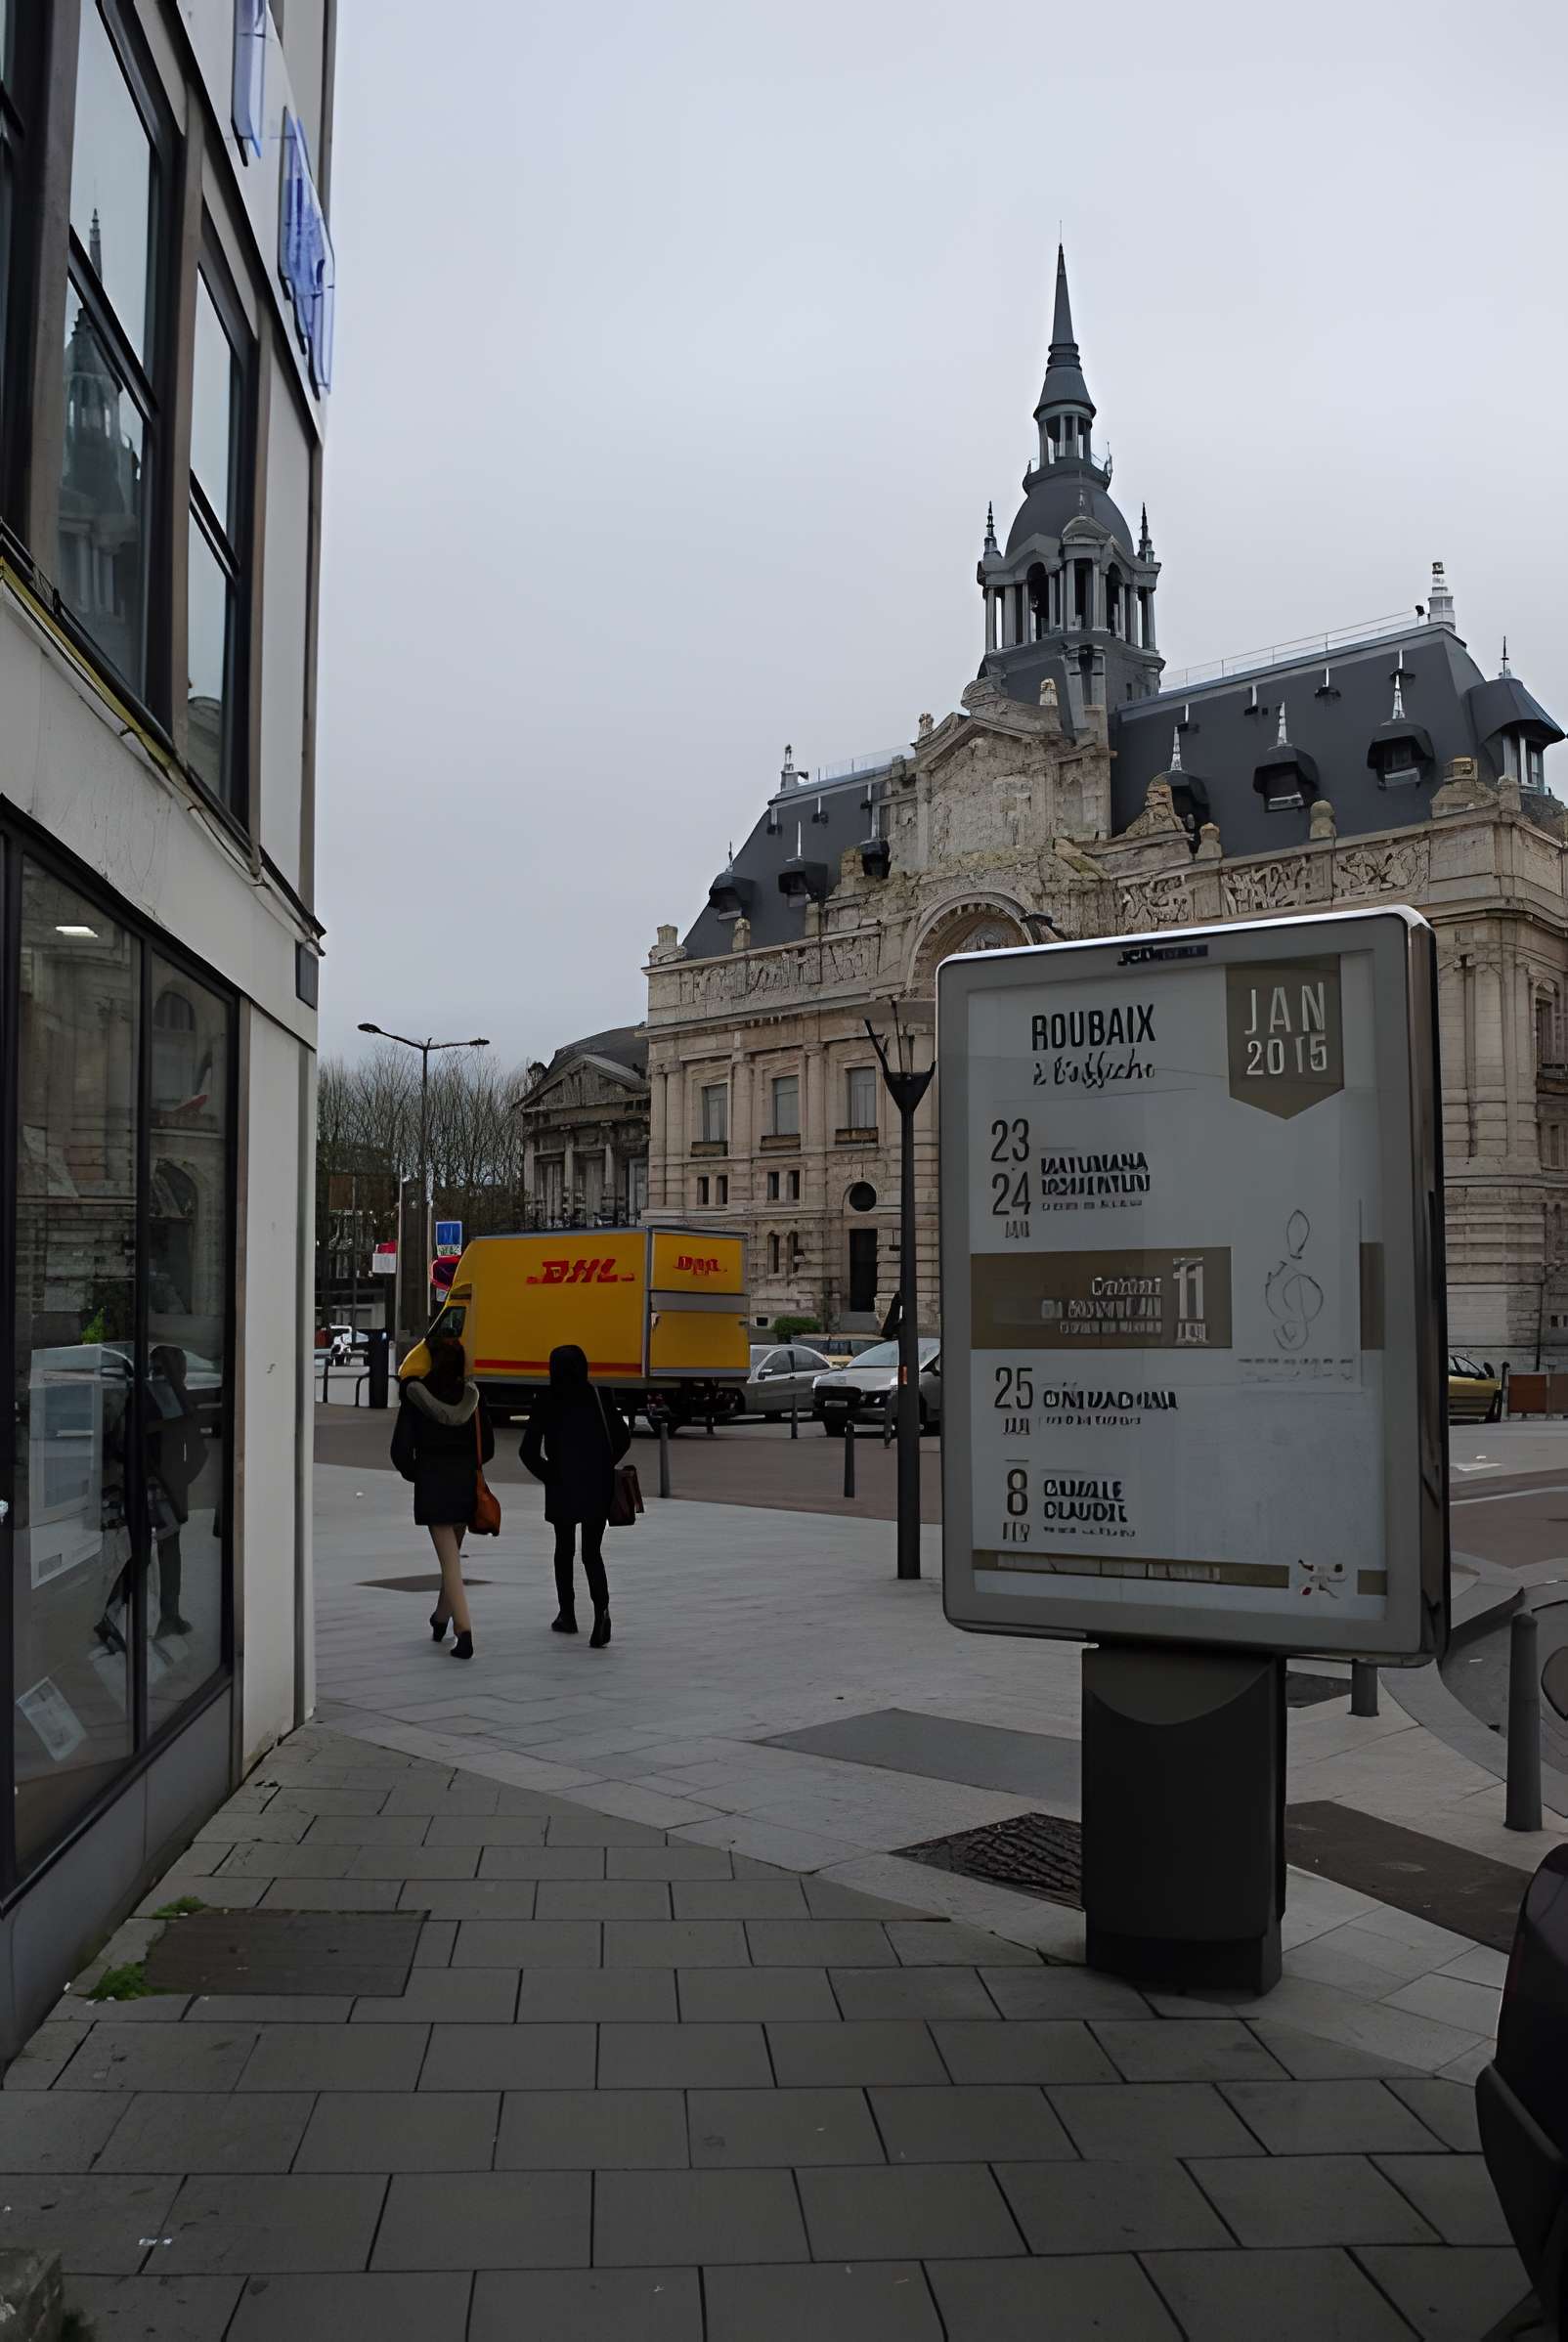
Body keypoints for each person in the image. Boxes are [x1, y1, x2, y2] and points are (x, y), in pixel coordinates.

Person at [390, 1332, 493, 1660]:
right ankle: (440, 1618)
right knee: (453, 1557)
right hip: (464, 1481)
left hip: (434, 1481)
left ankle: (464, 1632)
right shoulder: (473, 1396)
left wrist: (417, 1473)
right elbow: (486, 1447)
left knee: (450, 1562)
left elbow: (401, 1451)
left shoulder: (415, 1396)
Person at [520, 1343, 629, 1648]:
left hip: (562, 1485)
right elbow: (622, 1439)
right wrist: (603, 1464)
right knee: (592, 1552)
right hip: (597, 1482)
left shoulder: (547, 1399)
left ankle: (567, 1614)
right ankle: (602, 1611)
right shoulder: (600, 1395)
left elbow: (527, 1452)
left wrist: (550, 1475)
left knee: (563, 1549)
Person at [147, 1343, 204, 1637]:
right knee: (161, 1555)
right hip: (164, 1488)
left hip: (161, 1488)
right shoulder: (177, 1401)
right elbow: (198, 1452)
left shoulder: (151, 1397)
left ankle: (167, 1615)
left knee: (154, 1554)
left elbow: (197, 1452)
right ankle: (166, 1615)